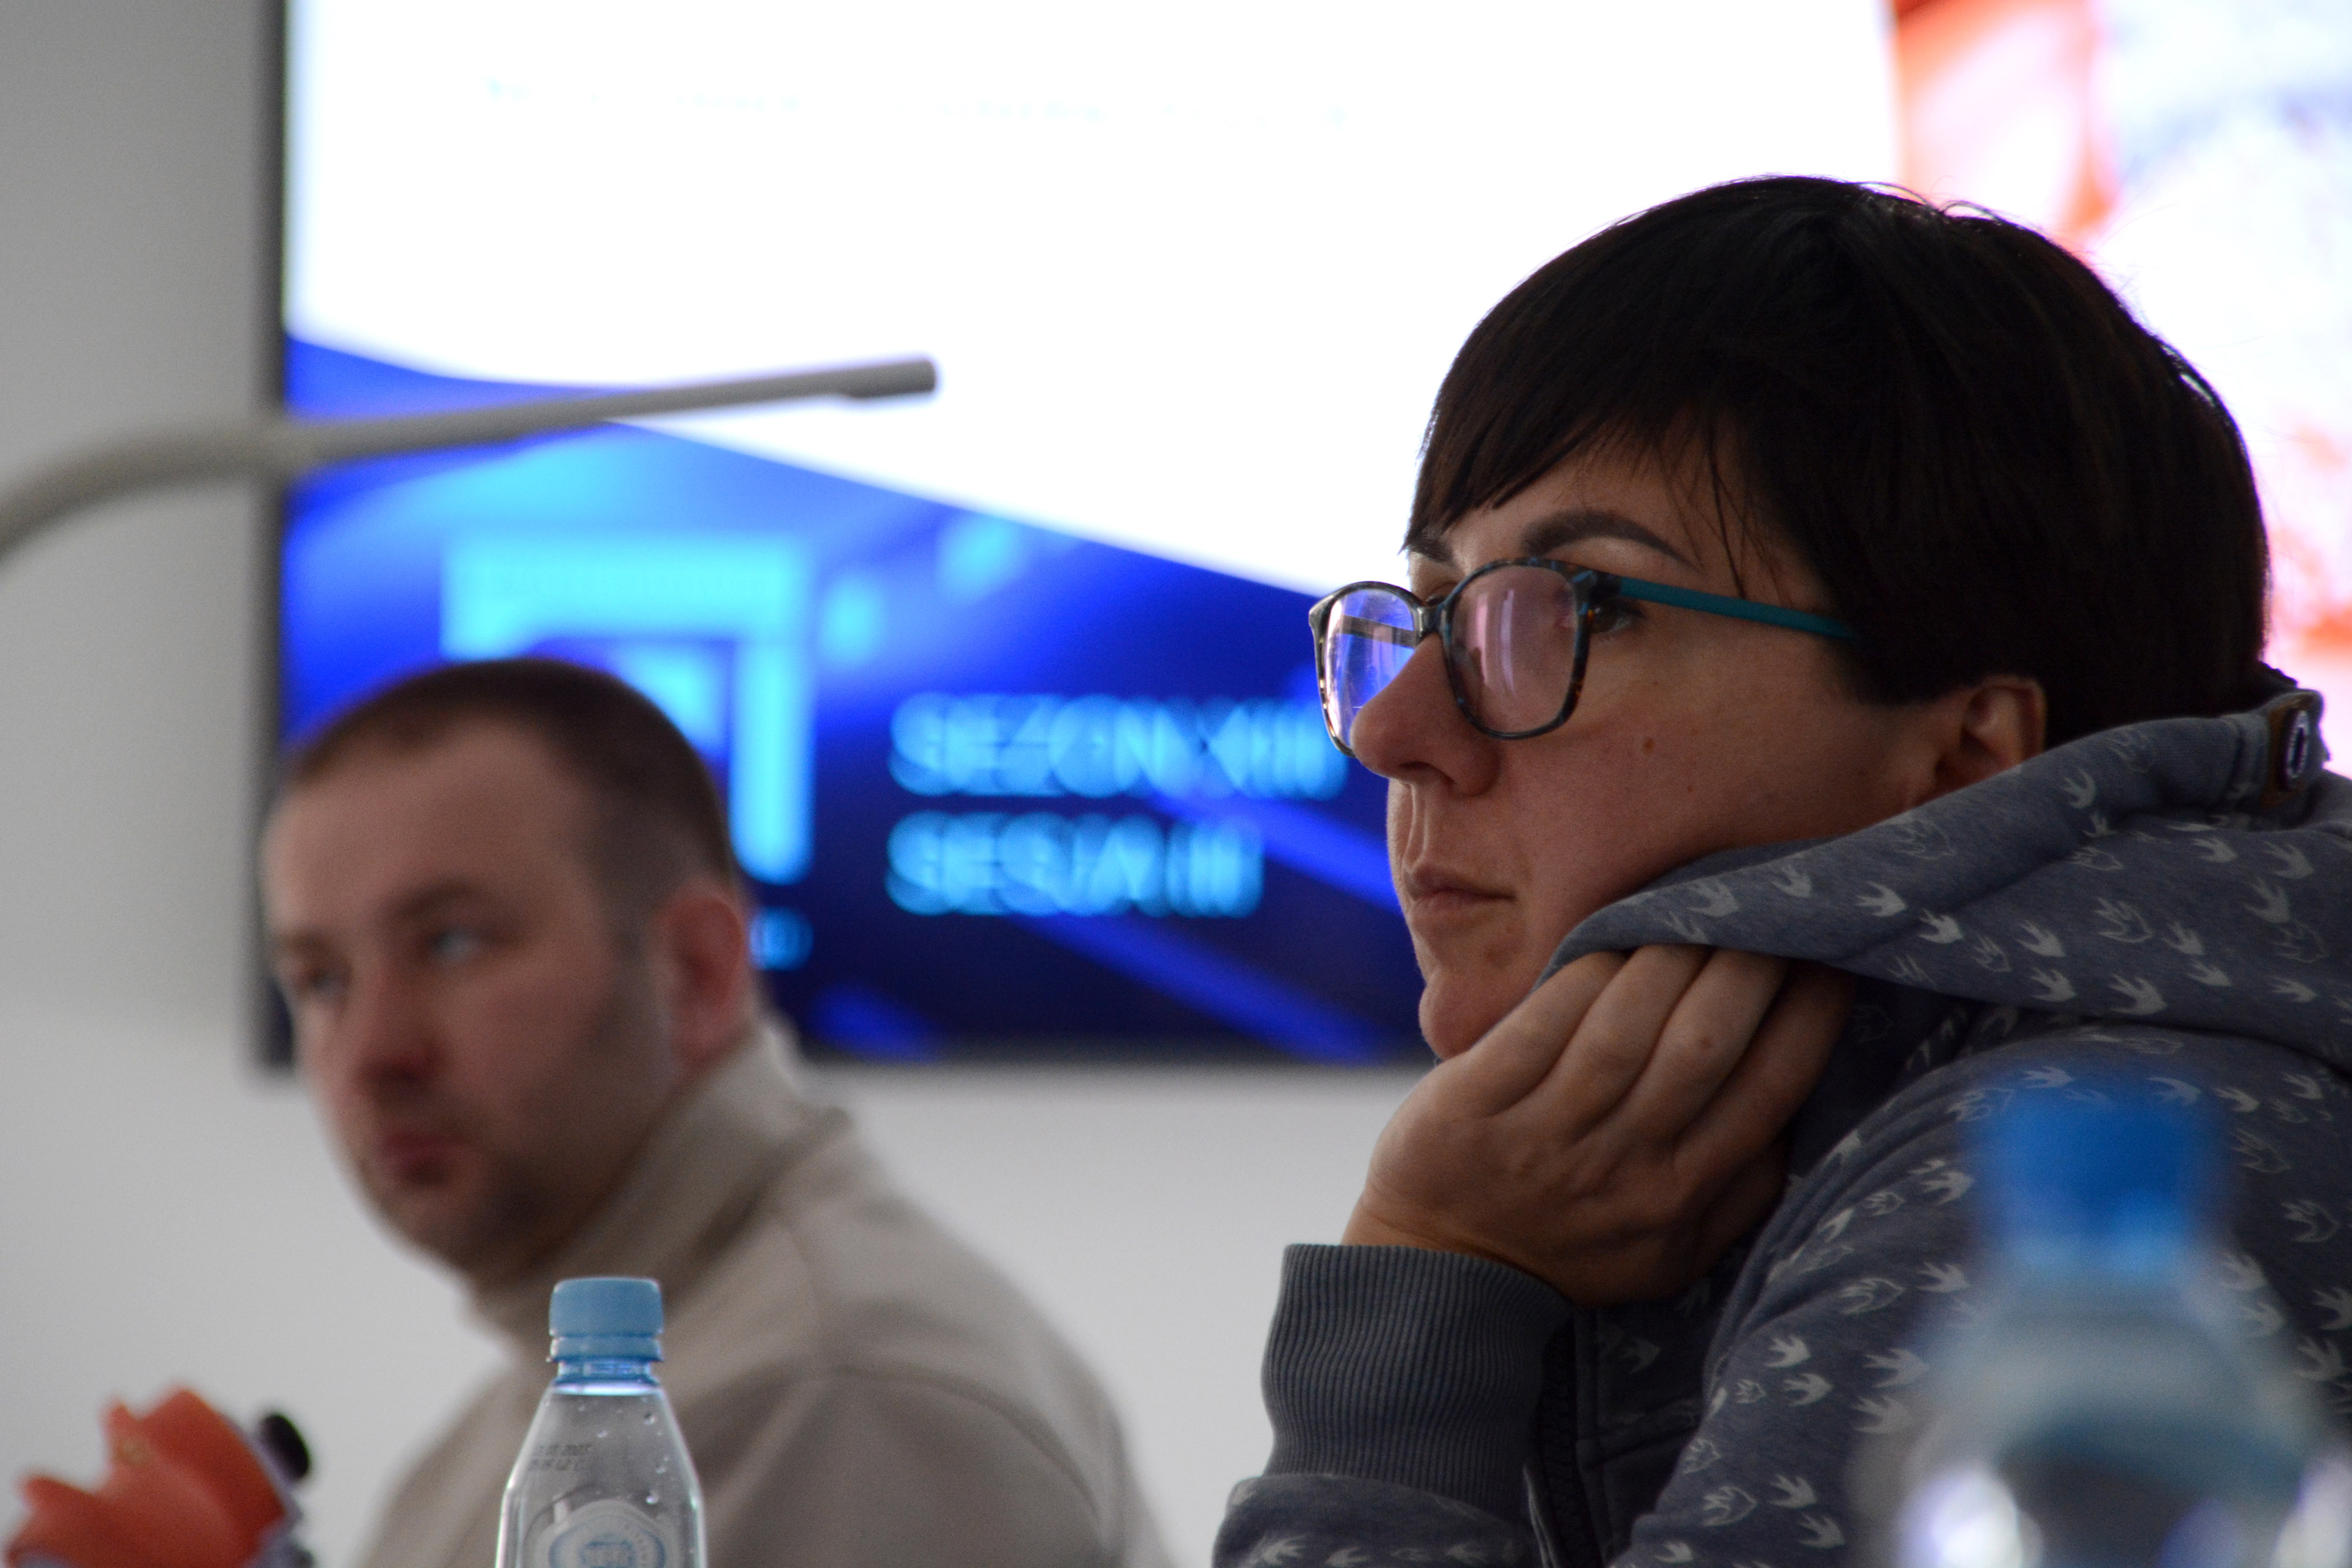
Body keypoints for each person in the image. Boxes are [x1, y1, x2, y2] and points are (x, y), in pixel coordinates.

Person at [1215, 175, 2352, 1567]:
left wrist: (1423, 1275)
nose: (1397, 732)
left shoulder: (2062, 1212)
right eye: (1434, 608)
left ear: (1964, 752)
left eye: (1572, 608)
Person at [261, 657, 1169, 1568]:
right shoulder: (566, 1406)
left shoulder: (824, 1396)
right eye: (322, 980)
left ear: (693, 972)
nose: (372, 1052)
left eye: (453, 942)